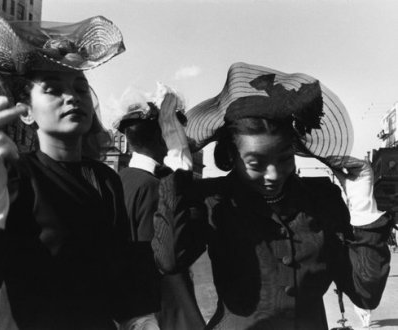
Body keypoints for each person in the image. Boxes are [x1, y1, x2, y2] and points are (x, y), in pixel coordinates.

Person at [0, 15, 143, 329]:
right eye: (53, 89)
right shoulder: (16, 176)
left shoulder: (106, 180)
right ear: (27, 111)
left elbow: (119, 285)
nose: (71, 96)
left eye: (80, 87)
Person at [152, 62, 392, 330]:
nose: (273, 174)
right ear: (231, 157)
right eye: (256, 163)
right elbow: (170, 259)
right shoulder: (213, 199)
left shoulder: (321, 198)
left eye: (284, 158)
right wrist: (178, 164)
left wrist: (362, 203)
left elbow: (366, 293)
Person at [114, 87, 205, 330]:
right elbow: (158, 262)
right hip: (160, 313)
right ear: (163, 135)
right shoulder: (155, 187)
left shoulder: (120, 179)